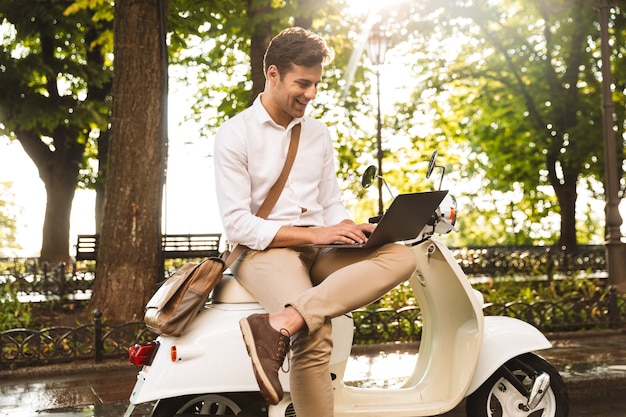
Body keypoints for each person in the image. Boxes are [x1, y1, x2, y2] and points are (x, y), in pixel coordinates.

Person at [213, 27, 416, 417]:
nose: (311, 94)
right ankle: (298, 322)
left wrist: (350, 229)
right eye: (302, 83)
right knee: (316, 331)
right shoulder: (235, 134)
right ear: (273, 74)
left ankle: (283, 321)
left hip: (320, 249)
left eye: (316, 84)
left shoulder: (318, 135)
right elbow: (239, 224)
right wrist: (319, 233)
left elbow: (330, 203)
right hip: (264, 252)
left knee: (402, 258)